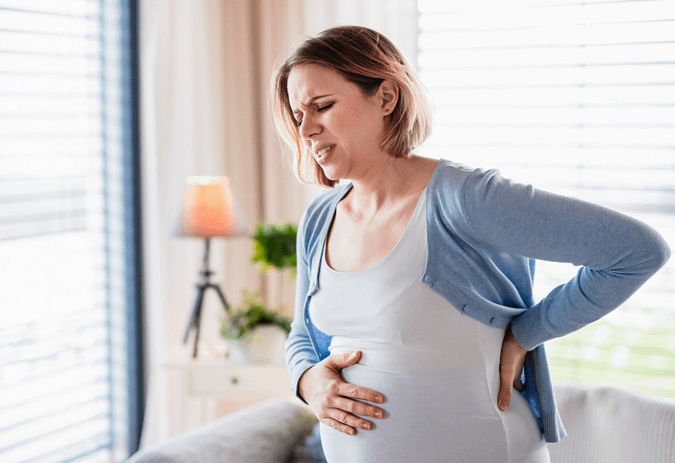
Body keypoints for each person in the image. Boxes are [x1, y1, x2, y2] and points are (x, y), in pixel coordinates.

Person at [271, 26, 671, 463]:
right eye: (297, 115)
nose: (306, 129)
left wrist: (527, 332)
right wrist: (307, 380)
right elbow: (301, 333)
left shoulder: (464, 199)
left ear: (386, 97)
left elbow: (638, 251)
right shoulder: (320, 217)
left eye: (322, 106)